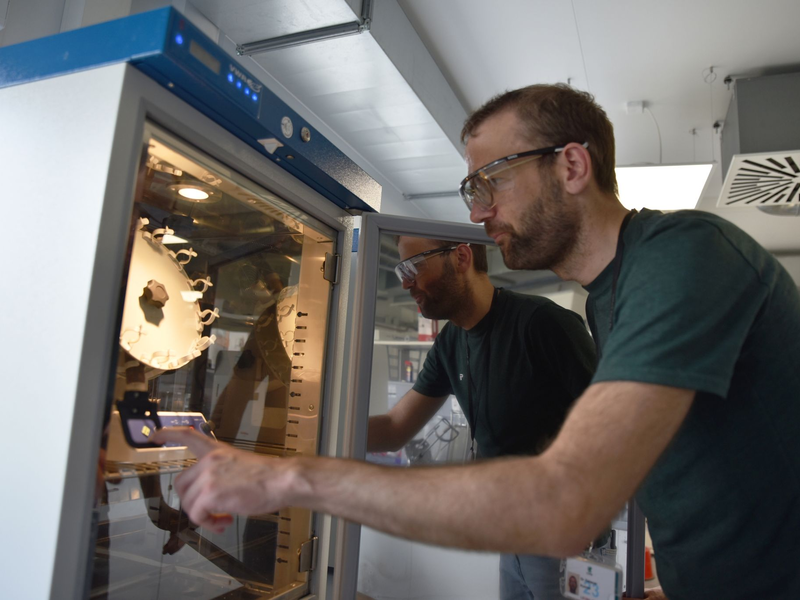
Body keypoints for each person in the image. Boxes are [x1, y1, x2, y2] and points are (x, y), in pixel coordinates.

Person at [152, 84, 800, 600]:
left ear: (572, 164)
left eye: (490, 180)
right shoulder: (610, 298)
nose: (477, 211)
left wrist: (289, 477)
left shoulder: (684, 257)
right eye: (472, 190)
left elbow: (566, 503)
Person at [368, 235, 596, 600]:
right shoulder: (450, 342)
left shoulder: (543, 324)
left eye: (413, 268)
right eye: (400, 271)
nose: (405, 283)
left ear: (460, 257)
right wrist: (321, 432)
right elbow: (396, 427)